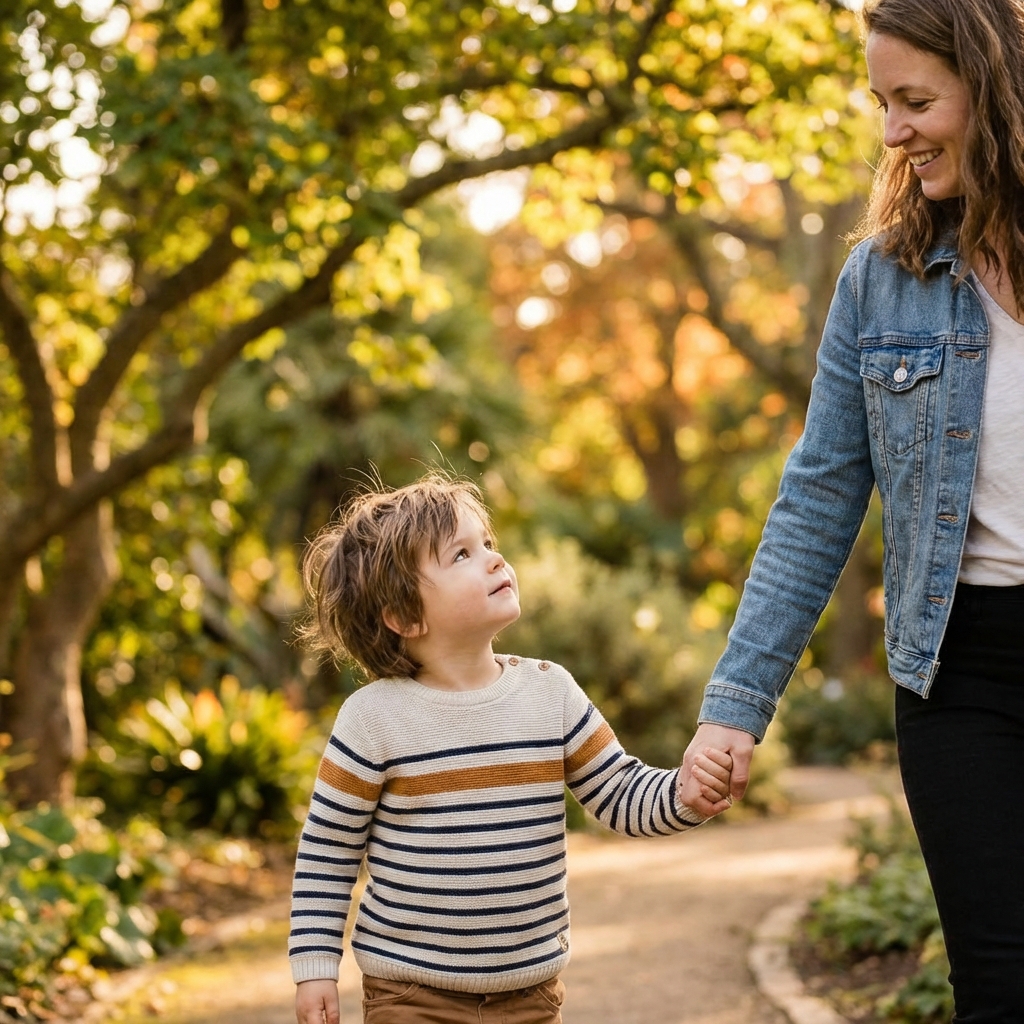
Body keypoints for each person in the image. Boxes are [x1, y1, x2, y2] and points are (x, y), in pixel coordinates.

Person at [677, 0, 1024, 1018]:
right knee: (999, 988)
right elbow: (817, 497)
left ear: (997, 89)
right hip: (958, 672)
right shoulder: (881, 282)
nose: (892, 133)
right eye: (881, 103)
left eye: (916, 101)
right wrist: (734, 707)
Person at [290, 473, 734, 1024]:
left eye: (488, 545)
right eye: (461, 555)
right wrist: (315, 968)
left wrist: (683, 794)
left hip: (530, 996)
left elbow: (618, 792)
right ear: (406, 617)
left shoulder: (551, 694)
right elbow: (327, 853)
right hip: (410, 994)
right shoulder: (373, 719)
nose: (495, 561)